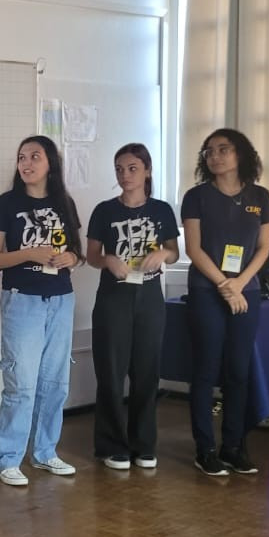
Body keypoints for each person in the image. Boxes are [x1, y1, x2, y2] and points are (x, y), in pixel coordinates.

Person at [0, 135, 84, 486]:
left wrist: (70, 258)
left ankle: (44, 452)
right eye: (21, 157)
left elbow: (78, 254)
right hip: (22, 299)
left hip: (61, 298)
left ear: (50, 163)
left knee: (55, 382)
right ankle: (8, 459)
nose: (26, 163)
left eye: (34, 157)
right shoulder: (6, 203)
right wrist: (30, 253)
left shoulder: (64, 203)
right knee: (21, 384)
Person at [181, 128, 269, 477]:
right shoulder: (196, 197)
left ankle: (233, 447)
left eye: (223, 149)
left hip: (245, 291)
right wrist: (223, 284)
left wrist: (239, 284)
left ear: (241, 154)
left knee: (238, 370)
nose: (215, 156)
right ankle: (205, 449)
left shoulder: (260, 197)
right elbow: (194, 249)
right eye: (209, 151)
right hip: (207, 290)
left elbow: (263, 248)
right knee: (206, 370)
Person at [86, 144, 180, 471]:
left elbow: (174, 252)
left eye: (132, 168)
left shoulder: (162, 210)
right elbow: (92, 256)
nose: (125, 175)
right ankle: (111, 445)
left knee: (146, 372)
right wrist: (108, 260)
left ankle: (144, 444)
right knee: (111, 373)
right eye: (119, 169)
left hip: (150, 296)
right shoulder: (104, 211)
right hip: (114, 297)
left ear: (147, 171)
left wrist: (164, 254)